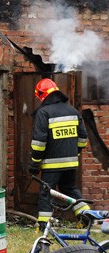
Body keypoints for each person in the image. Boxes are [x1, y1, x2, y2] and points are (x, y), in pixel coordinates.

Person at [28, 78, 90, 231]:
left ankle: (43, 226)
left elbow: (39, 142)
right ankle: (86, 216)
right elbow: (83, 138)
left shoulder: (43, 113)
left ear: (41, 95)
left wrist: (35, 162)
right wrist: (75, 152)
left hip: (51, 164)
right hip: (71, 162)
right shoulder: (73, 111)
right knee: (70, 189)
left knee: (46, 193)